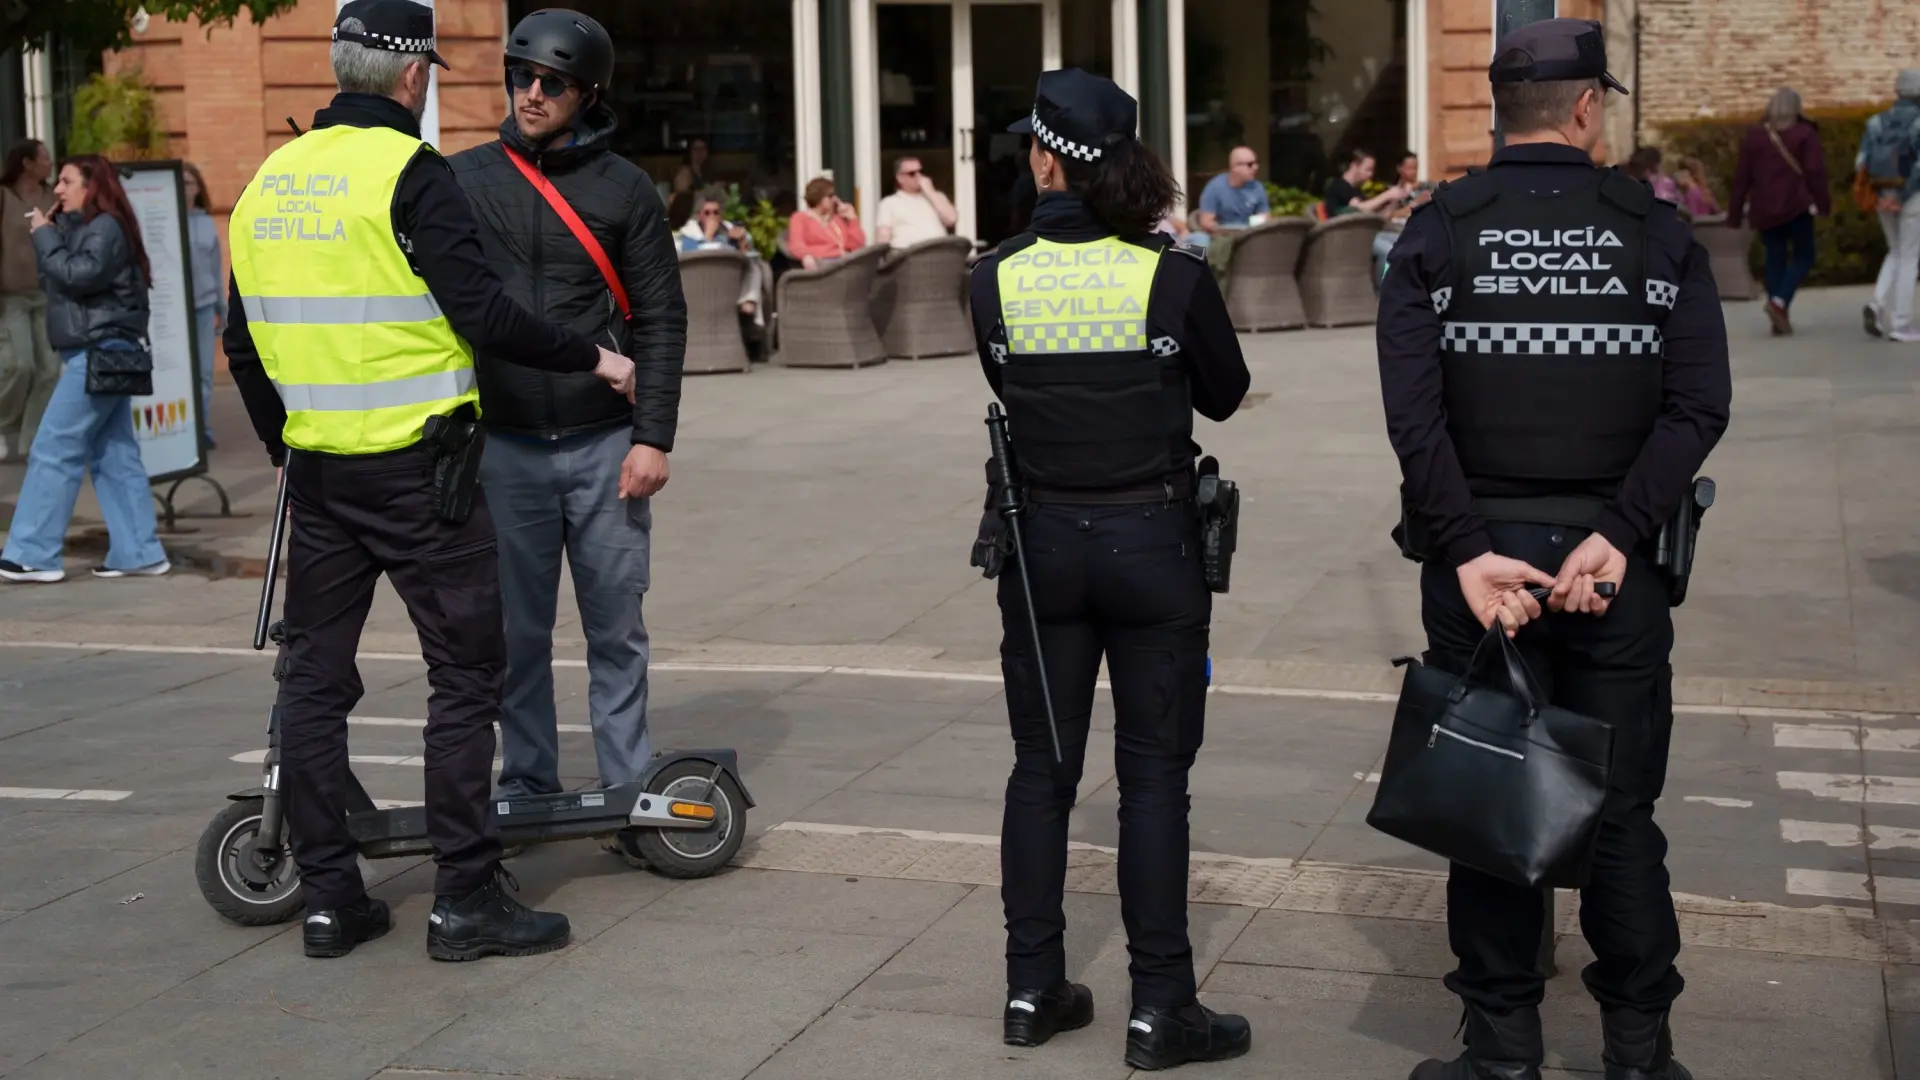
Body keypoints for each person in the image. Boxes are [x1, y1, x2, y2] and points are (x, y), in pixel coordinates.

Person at [223, 0, 638, 961]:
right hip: (424, 478)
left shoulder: (266, 183)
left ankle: (332, 901)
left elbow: (242, 347)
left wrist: (289, 445)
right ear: (414, 76)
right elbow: (484, 315)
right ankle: (463, 898)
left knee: (313, 685)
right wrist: (594, 357)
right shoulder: (412, 175)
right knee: (463, 675)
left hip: (320, 478)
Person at [1377, 19, 1729, 1080]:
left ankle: (1502, 1052)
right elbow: (1699, 405)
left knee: (1491, 800)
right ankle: (1639, 1053)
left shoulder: (1437, 234)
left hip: (1481, 570)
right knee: (1620, 812)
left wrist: (1468, 552)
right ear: (1585, 108)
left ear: (1502, 110)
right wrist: (1616, 535)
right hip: (1614, 572)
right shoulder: (1657, 235)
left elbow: (1414, 423)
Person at [969, 67, 1253, 1072]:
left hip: (1041, 545)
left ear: (1047, 162)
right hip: (1152, 543)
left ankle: (1030, 988)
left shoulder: (993, 276)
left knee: (1039, 773)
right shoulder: (1170, 276)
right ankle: (1161, 1007)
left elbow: (1007, 380)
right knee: (1153, 780)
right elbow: (1226, 393)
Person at [448, 7, 687, 810]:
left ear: (587, 94)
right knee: (516, 636)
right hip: (505, 444)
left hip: (604, 443)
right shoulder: (464, 179)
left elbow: (662, 317)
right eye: (520, 76)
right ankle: (527, 783)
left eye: (552, 83)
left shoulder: (625, 189)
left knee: (616, 629)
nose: (531, 93)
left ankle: (627, 786)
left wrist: (653, 436)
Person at [0, 155, 170, 584]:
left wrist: (45, 236)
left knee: (54, 446)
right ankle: (139, 552)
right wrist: (56, 230)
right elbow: (67, 277)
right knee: (114, 455)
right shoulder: (93, 227)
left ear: (93, 186)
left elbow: (79, 275)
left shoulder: (106, 226)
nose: (57, 189)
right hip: (98, 352)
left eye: (66, 181)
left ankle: (33, 553)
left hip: (100, 351)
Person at [1729, 87, 1830, 336]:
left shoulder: (1754, 137)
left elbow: (1742, 177)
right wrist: (1823, 203)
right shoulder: (1805, 134)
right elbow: (1815, 172)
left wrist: (1734, 212)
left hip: (1764, 207)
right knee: (1804, 256)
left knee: (1775, 258)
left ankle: (1778, 315)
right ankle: (1779, 302)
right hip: (1796, 205)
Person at [0, 138, 60, 462]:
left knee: (48, 370)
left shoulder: (54, 197)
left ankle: (30, 441)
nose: (50, 163)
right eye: (44, 158)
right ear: (27, 163)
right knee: (20, 366)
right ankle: (4, 423)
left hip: (46, 294)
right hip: (11, 297)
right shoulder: (4, 197)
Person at [1859, 69, 1920, 341]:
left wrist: (1881, 194)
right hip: (1912, 198)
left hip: (1882, 195)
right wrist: (1902, 195)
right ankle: (1901, 324)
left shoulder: (1876, 121)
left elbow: (1861, 162)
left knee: (1894, 251)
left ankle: (1877, 304)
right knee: (1909, 257)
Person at [679, 189, 768, 348]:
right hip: (701, 285)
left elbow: (747, 255)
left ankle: (748, 302)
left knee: (754, 266)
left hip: (728, 286)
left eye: (716, 212)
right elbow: (689, 256)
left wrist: (742, 242)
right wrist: (708, 236)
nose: (712, 216)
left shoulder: (728, 231)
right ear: (699, 215)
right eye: (707, 213)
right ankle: (748, 314)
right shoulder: (689, 235)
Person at [181, 161, 226, 450]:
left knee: (204, 372)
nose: (185, 188)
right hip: (176, 309)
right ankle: (182, 429)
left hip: (204, 306)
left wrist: (222, 307)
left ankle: (202, 429)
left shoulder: (206, 223)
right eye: (180, 183)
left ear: (198, 188)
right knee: (180, 372)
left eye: (189, 183)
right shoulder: (168, 219)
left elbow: (215, 267)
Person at [1192, 145, 1269, 246]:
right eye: (1250, 164)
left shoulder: (1257, 187)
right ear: (1235, 167)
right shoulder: (1215, 187)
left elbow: (1265, 215)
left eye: (1256, 163)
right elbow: (1206, 222)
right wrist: (1226, 231)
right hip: (1222, 237)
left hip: (1249, 235)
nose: (1255, 167)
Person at [875, 156, 958, 249]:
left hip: (939, 252)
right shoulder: (889, 203)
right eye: (912, 174)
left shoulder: (937, 196)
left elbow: (951, 219)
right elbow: (883, 238)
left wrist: (930, 191)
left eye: (920, 172)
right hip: (908, 253)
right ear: (900, 178)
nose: (918, 177)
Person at [787, 177, 866, 268]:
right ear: (818, 197)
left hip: (844, 263)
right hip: (821, 263)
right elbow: (796, 244)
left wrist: (853, 219)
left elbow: (856, 246)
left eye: (835, 196)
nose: (834, 199)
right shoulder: (800, 217)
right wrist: (806, 256)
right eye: (830, 196)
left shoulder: (836, 220)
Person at [1323, 148, 1410, 217]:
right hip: (1342, 233)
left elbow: (1379, 217)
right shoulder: (1339, 187)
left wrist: (1394, 199)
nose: (1371, 174)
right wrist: (1388, 195)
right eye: (1368, 169)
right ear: (1354, 166)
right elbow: (1361, 210)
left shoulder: (1356, 190)